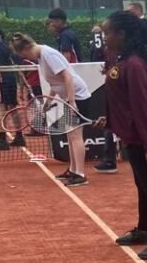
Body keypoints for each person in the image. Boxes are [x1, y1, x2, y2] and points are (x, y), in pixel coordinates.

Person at [102, 10, 147, 261]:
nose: (104, 37)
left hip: (141, 136)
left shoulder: (133, 65)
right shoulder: (122, 60)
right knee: (142, 184)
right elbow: (121, 100)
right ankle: (144, 229)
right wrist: (110, 121)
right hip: (131, 135)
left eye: (107, 32)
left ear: (121, 34)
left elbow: (142, 106)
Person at [9, 33, 93, 186]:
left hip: (78, 97)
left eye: (23, 55)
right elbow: (55, 83)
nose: (26, 58)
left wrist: (72, 101)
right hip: (69, 97)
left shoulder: (48, 54)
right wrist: (47, 103)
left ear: (26, 50)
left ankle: (80, 174)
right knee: (69, 134)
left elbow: (67, 77)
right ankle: (73, 170)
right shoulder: (42, 56)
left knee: (75, 135)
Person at [127, 0, 147, 72]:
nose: (128, 13)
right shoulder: (132, 23)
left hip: (142, 53)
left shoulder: (145, 23)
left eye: (130, 11)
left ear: (138, 10)